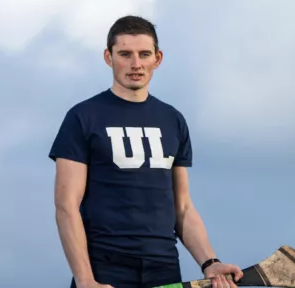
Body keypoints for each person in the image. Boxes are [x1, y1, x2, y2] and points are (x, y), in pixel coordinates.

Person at [49, 15, 244, 288]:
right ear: (108, 57)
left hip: (164, 268)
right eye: (125, 54)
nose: (136, 64)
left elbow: (183, 207)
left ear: (158, 58)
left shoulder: (173, 120)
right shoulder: (83, 117)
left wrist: (210, 262)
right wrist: (85, 280)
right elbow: (66, 205)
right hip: (105, 268)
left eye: (144, 54)